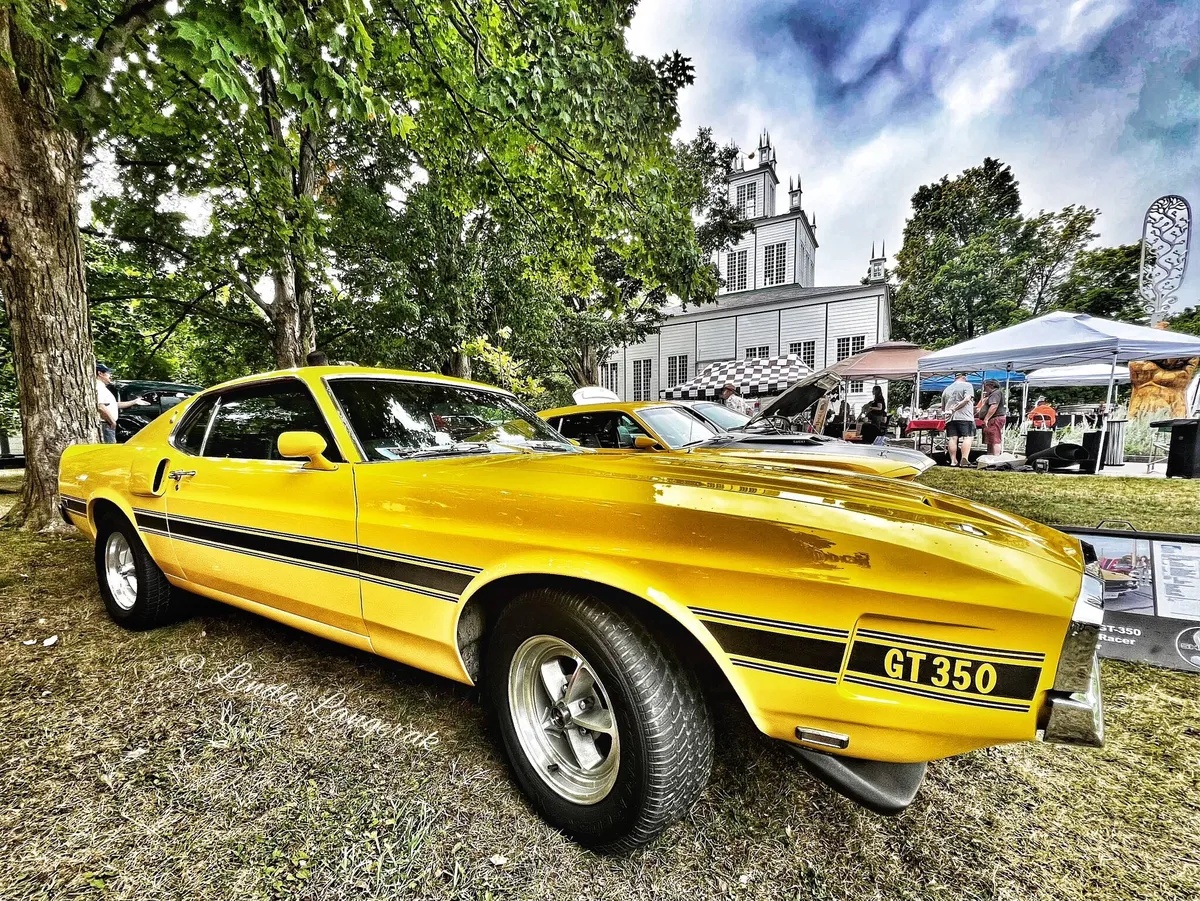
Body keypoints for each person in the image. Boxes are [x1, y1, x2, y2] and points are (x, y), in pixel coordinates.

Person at [96, 364, 149, 444]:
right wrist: (112, 422)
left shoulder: (102, 387)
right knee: (109, 452)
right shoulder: (98, 387)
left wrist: (134, 402)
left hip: (107, 425)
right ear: (100, 373)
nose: (111, 375)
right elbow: (100, 406)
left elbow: (113, 405)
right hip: (106, 425)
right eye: (109, 373)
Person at [940, 373, 975, 466]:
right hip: (965, 417)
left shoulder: (946, 389)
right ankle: (964, 459)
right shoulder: (967, 385)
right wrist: (955, 408)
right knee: (968, 437)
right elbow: (967, 399)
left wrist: (949, 411)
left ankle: (953, 461)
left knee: (952, 438)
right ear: (964, 377)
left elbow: (943, 407)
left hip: (950, 418)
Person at [977, 379, 1007, 455]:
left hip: (995, 418)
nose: (984, 388)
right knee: (990, 439)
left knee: (994, 439)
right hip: (993, 418)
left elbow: (994, 406)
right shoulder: (994, 394)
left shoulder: (996, 393)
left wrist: (986, 418)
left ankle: (995, 458)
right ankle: (990, 456)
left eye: (985, 386)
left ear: (990, 385)